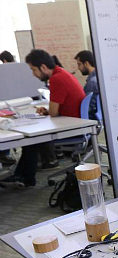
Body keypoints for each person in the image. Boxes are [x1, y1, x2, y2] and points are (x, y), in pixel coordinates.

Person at [0, 49, 85, 188]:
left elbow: (53, 112)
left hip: (72, 127)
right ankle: (23, 177)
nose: (33, 74)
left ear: (43, 67)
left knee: (31, 139)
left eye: (33, 70)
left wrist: (49, 111)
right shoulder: (62, 73)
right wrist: (48, 111)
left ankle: (24, 177)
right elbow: (55, 110)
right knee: (31, 141)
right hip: (74, 122)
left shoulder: (56, 78)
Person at [74, 50, 99, 119]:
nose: (78, 68)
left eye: (79, 64)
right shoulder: (99, 77)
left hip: (91, 119)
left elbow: (86, 108)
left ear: (86, 63)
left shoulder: (92, 82)